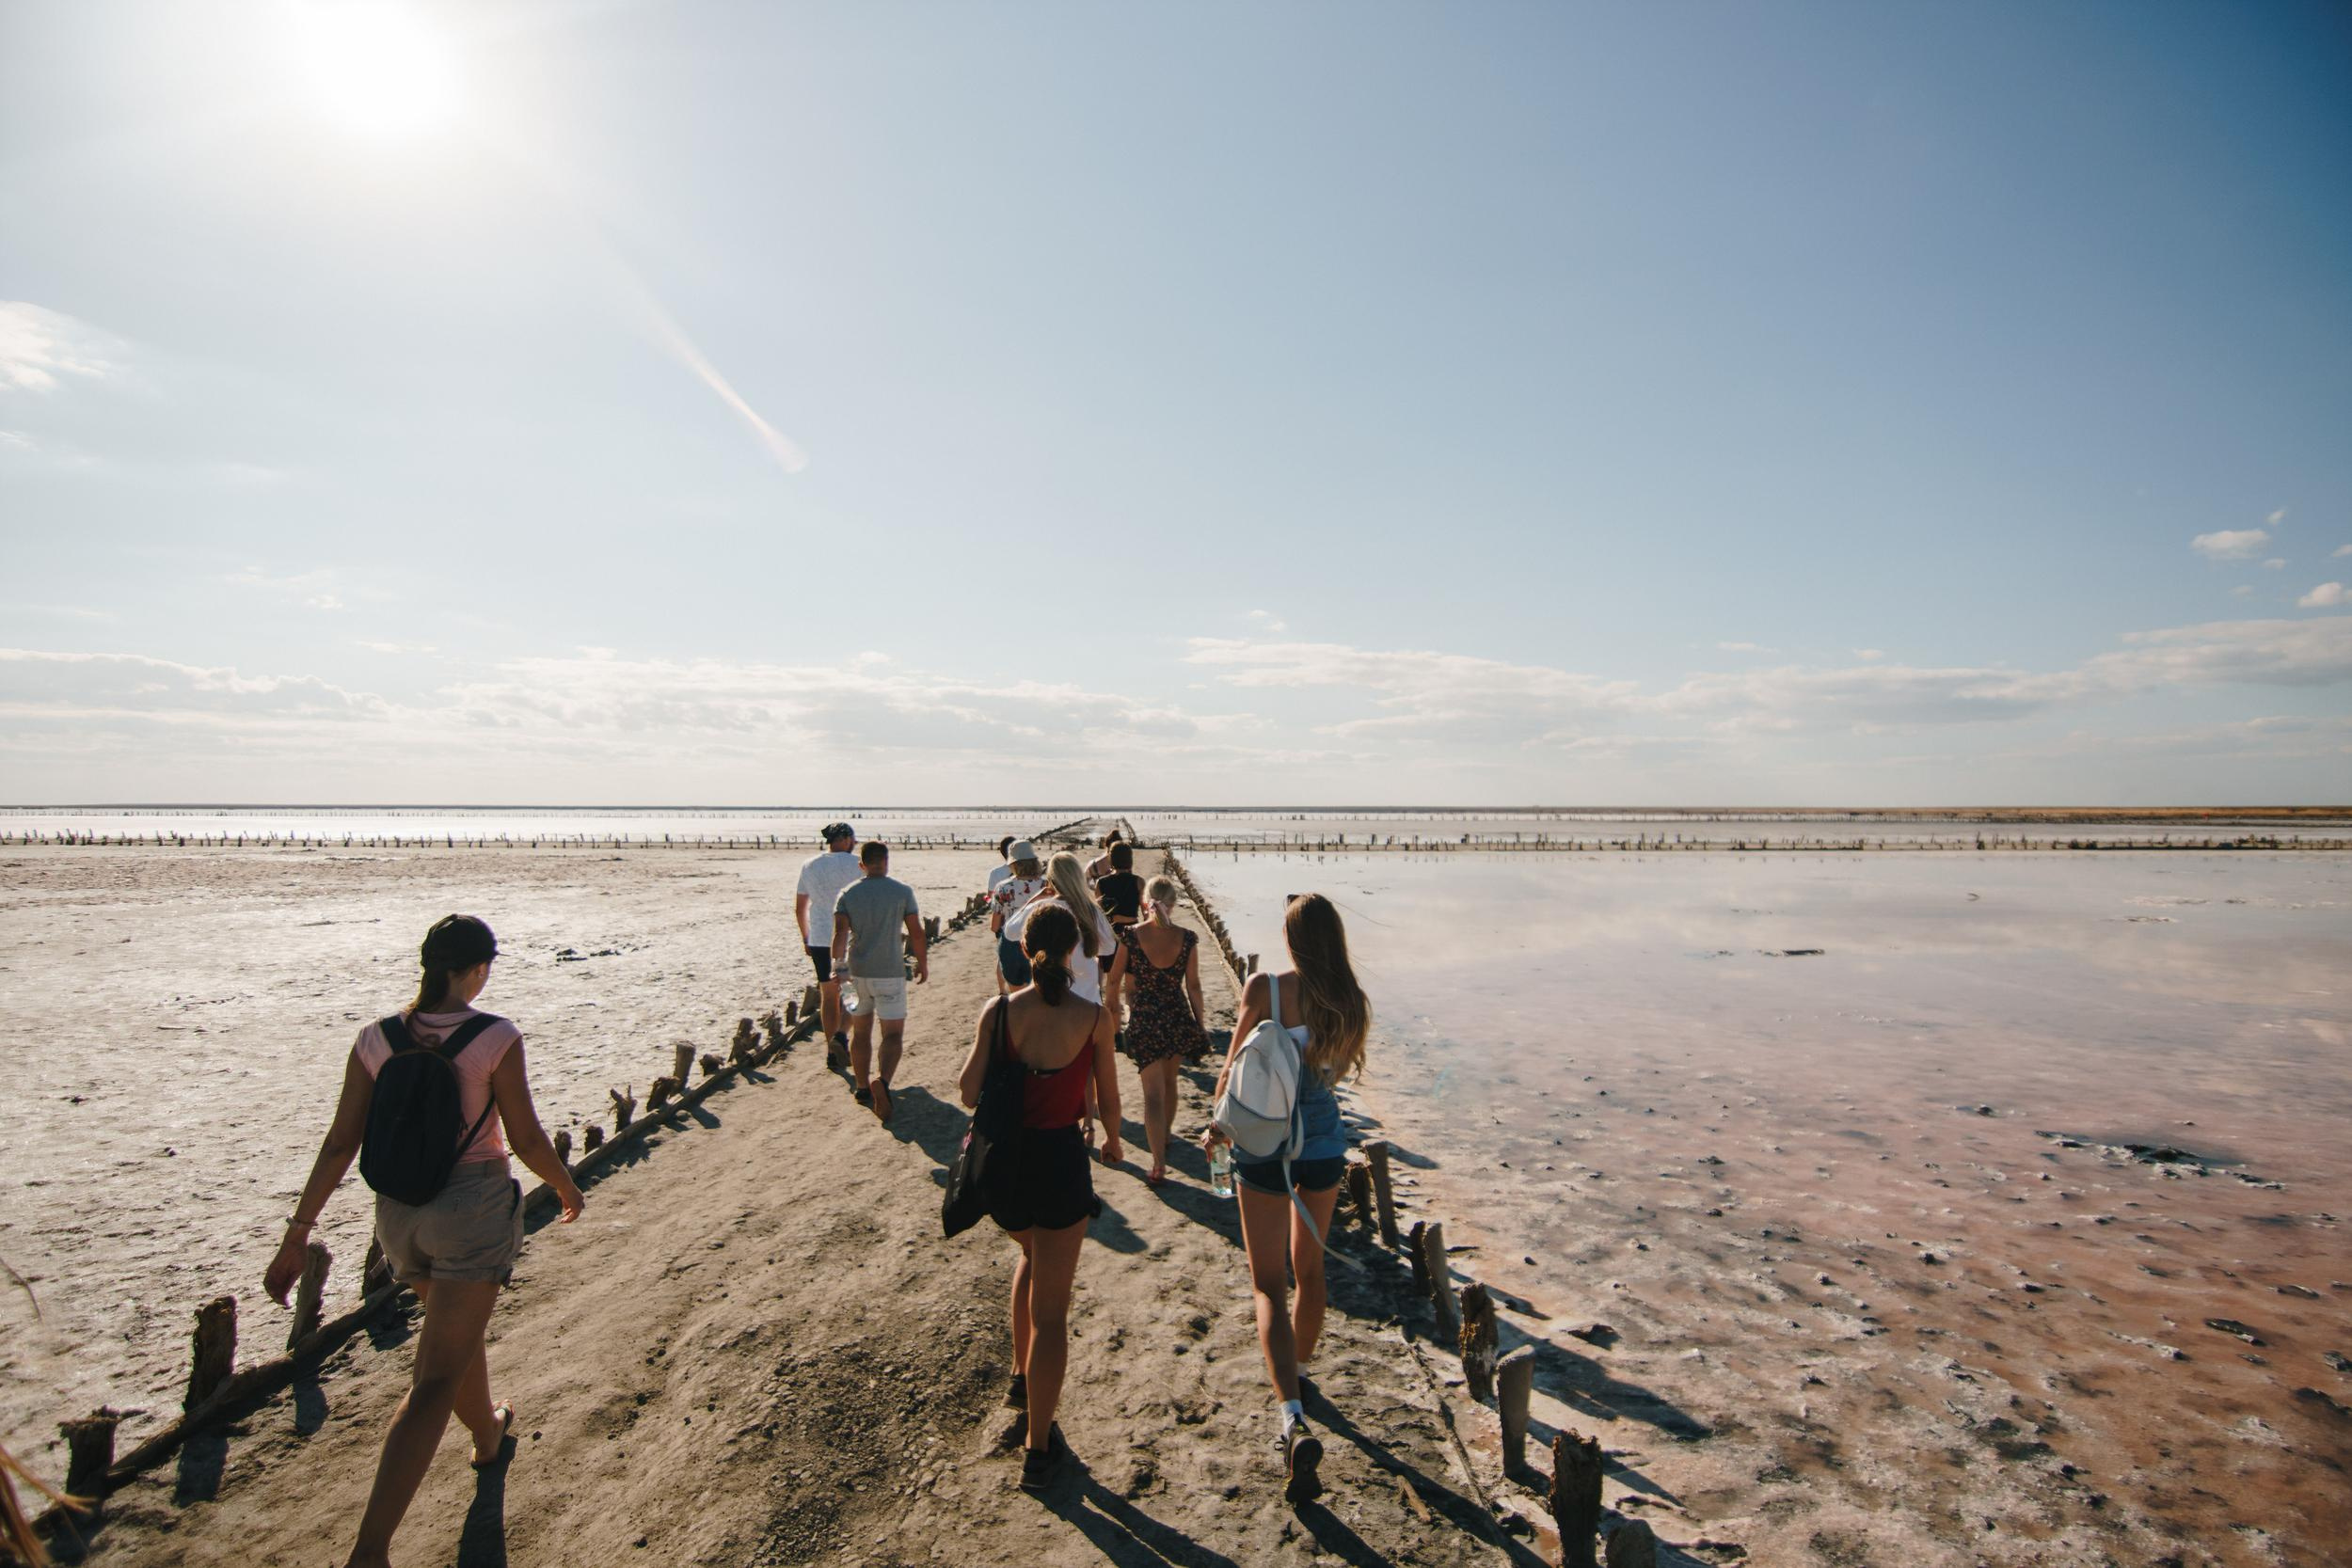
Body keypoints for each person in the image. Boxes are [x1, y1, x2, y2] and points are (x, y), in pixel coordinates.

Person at [263, 915, 585, 1568]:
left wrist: (298, 1230)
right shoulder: (494, 1034)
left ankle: (489, 1434)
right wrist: (566, 1185)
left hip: (400, 1214)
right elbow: (523, 1137)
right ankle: (371, 1550)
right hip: (470, 1208)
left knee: (453, 1340)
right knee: (434, 1377)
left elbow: (339, 1141)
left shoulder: (375, 1038)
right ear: (474, 969)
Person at [1201, 894, 1369, 1506]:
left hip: (1264, 1146)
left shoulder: (1264, 988)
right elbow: (1337, 1074)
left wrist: (1217, 1129)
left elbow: (1232, 1072)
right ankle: (1297, 1370)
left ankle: (1292, 1413)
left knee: (1267, 1283)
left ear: (1291, 937)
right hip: (1322, 1143)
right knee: (1312, 1272)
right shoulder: (1349, 1001)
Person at [956, 905, 1121, 1493]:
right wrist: (1113, 1143)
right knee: (1053, 1314)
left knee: (1029, 1254)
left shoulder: (998, 1012)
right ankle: (1039, 1446)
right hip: (1058, 1163)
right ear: (1074, 950)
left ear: (1026, 951)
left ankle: (1021, 1380)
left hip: (1007, 1168)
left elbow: (968, 1088)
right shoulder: (1095, 1017)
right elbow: (1106, 1097)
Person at [1104, 876, 1206, 1186]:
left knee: (1152, 1094)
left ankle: (1158, 1160)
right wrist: (1199, 1024)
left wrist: (1115, 1015)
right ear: (1173, 904)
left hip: (1146, 1018)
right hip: (1176, 1014)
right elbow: (1194, 986)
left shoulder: (1131, 936)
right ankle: (1166, 1137)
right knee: (1170, 1081)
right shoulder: (1187, 938)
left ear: (1144, 901)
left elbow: (1113, 980)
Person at [831, 840, 927, 1123]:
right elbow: (916, 932)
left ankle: (862, 1087)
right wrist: (923, 962)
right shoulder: (903, 892)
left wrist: (839, 967)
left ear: (862, 864)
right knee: (893, 1035)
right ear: (886, 861)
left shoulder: (848, 893)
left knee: (860, 1033)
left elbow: (839, 936)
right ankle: (882, 1082)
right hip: (891, 972)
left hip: (857, 973)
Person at [1002, 850, 1115, 1006]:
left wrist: (1033, 899)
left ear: (1051, 881)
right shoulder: (1091, 910)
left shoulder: (1042, 908)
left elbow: (1009, 931)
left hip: (1052, 1004)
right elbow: (1109, 948)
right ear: (1078, 878)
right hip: (1088, 1004)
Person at [795, 823, 862, 1068]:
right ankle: (842, 1039)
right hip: (848, 937)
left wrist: (806, 936)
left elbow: (800, 906)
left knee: (828, 994)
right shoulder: (857, 864)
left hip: (820, 937)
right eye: (853, 838)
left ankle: (831, 1051)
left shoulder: (810, 865)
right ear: (844, 839)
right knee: (851, 990)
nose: (855, 842)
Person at [990, 841, 1048, 990]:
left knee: (1016, 996)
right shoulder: (1046, 886)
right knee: (1039, 993)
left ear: (1013, 864)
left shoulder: (1003, 888)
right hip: (1039, 942)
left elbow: (994, 926)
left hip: (1011, 942)